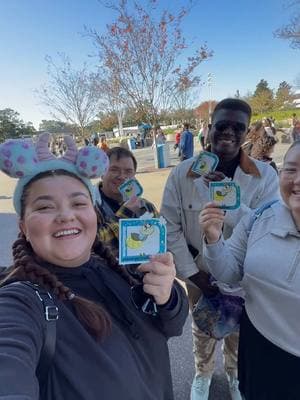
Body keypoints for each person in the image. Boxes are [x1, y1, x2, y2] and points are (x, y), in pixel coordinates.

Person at [0, 133, 188, 399]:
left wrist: (168, 297)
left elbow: (173, 326)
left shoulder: (117, 269)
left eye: (78, 203)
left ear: (93, 213)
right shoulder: (20, 301)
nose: (66, 215)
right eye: (45, 207)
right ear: (23, 227)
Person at [160, 98, 279, 400]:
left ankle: (234, 374)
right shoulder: (182, 174)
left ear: (248, 132)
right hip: (198, 273)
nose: (228, 132)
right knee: (202, 328)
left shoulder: (265, 178)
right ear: (209, 128)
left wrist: (233, 204)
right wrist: (192, 275)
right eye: (221, 125)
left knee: (239, 329)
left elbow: (266, 225)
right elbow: (169, 226)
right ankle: (202, 373)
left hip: (243, 275)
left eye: (237, 127)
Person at [199, 140, 300, 399]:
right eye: (291, 169)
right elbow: (230, 271)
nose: (297, 180)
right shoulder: (261, 217)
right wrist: (213, 238)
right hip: (257, 350)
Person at [95, 147, 159, 257]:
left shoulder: (147, 207)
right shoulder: (89, 206)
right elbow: (92, 244)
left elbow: (158, 244)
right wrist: (126, 213)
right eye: (114, 170)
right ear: (102, 173)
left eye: (128, 171)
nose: (121, 176)